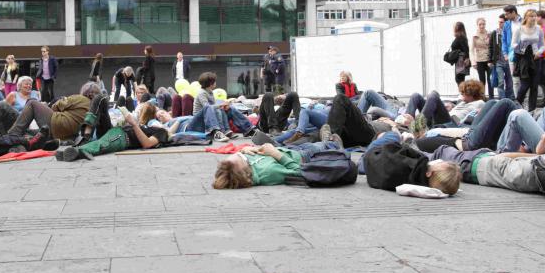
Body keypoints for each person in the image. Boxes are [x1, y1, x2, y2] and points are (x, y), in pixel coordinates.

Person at [361, 130, 462, 195]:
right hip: (366, 168)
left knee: (393, 135)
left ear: (429, 173)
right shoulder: (414, 184)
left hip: (372, 155)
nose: (437, 162)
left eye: (439, 163)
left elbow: (390, 148)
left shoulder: (417, 163)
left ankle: (384, 132)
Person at [212, 140, 346, 189]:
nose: (239, 153)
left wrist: (245, 150)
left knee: (308, 139)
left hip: (291, 149)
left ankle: (323, 137)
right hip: (304, 156)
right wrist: (276, 154)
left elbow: (240, 157)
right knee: (323, 145)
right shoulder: (269, 172)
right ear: (244, 170)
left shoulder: (246, 165)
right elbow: (299, 171)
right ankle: (333, 143)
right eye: (240, 156)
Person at [56, 107, 168, 162]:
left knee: (102, 144)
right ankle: (81, 143)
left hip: (123, 137)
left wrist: (134, 124)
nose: (160, 115)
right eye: (160, 112)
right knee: (101, 99)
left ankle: (76, 150)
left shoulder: (162, 132)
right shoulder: (146, 126)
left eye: (163, 113)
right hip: (115, 130)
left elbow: (147, 144)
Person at [192, 72, 252, 139]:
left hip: (211, 116)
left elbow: (215, 107)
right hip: (201, 119)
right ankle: (222, 131)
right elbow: (207, 107)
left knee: (230, 109)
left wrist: (224, 106)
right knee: (216, 108)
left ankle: (248, 129)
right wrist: (221, 105)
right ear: (210, 84)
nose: (215, 83)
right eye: (214, 81)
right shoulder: (202, 93)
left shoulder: (210, 92)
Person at [512, 9, 544, 112]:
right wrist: (521, 48)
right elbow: (513, 45)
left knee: (534, 86)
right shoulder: (519, 29)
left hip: (536, 58)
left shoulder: (539, 29)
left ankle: (532, 110)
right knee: (524, 85)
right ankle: (516, 105)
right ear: (526, 17)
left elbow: (543, 45)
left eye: (535, 16)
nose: (534, 18)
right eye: (531, 16)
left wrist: (539, 52)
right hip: (524, 59)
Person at [488, 14, 513, 99]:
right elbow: (490, 46)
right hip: (498, 61)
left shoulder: (510, 32)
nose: (499, 24)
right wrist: (490, 60)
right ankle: (502, 100)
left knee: (509, 82)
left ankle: (510, 99)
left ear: (506, 23)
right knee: (500, 82)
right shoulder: (494, 33)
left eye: (501, 22)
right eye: (499, 22)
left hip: (509, 61)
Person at [502, 5, 521, 97]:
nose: (506, 16)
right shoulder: (507, 24)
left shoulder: (523, 22)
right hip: (512, 54)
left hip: (524, 54)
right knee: (515, 79)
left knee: (525, 79)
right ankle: (518, 101)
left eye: (507, 14)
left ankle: (525, 100)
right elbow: (504, 40)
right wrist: (505, 53)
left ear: (513, 12)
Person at [471, 18, 493, 99]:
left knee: (490, 80)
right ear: (477, 25)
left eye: (483, 24)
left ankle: (491, 98)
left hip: (489, 60)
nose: (482, 26)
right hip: (479, 60)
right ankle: (483, 98)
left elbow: (492, 46)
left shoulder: (489, 34)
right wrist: (473, 62)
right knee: (482, 81)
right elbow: (471, 50)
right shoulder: (474, 36)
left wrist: (493, 59)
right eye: (480, 24)